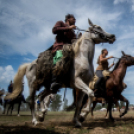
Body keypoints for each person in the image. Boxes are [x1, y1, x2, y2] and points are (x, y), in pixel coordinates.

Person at [51, 14, 76, 91]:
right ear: (68, 19)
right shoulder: (61, 23)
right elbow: (54, 30)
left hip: (69, 50)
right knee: (59, 59)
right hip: (60, 47)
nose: (75, 20)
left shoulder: (73, 32)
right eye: (73, 19)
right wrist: (68, 28)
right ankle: (54, 81)